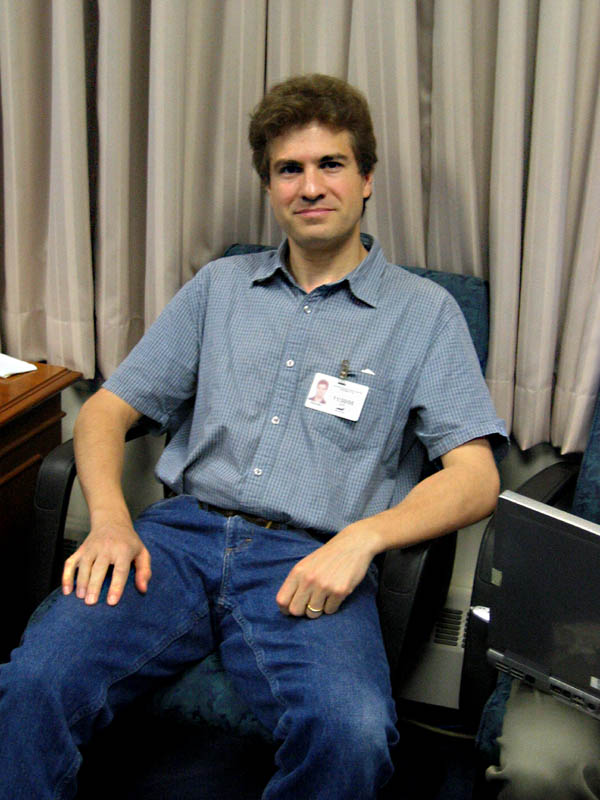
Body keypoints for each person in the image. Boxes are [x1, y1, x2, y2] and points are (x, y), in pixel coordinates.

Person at [0, 73, 507, 799]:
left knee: (352, 734)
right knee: (34, 682)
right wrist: (110, 520)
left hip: (308, 559)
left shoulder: (422, 314)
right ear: (270, 187)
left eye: (331, 164)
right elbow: (109, 410)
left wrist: (361, 540)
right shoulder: (220, 288)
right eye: (288, 169)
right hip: (176, 542)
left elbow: (476, 477)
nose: (310, 186)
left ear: (366, 179)